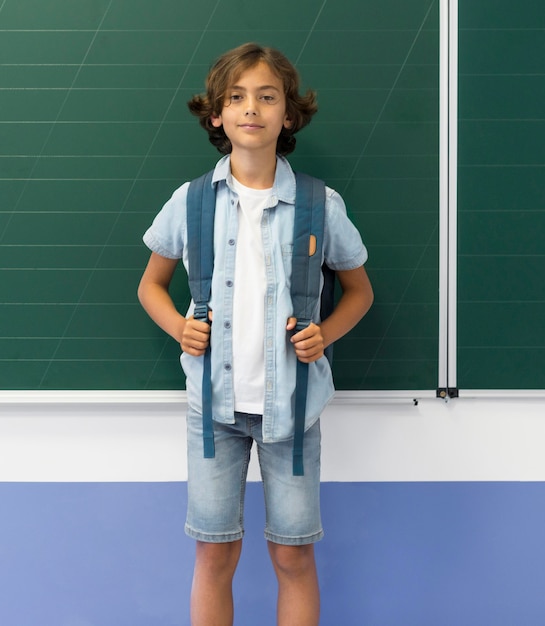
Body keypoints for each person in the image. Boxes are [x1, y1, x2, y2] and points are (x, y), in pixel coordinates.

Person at [138, 42, 373, 626]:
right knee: (215, 553)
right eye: (237, 97)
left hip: (292, 411)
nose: (252, 108)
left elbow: (360, 292)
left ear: (288, 115)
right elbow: (150, 287)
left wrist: (325, 333)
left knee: (292, 554)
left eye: (267, 97)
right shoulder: (191, 201)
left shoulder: (320, 205)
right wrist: (180, 328)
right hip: (212, 410)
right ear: (216, 114)